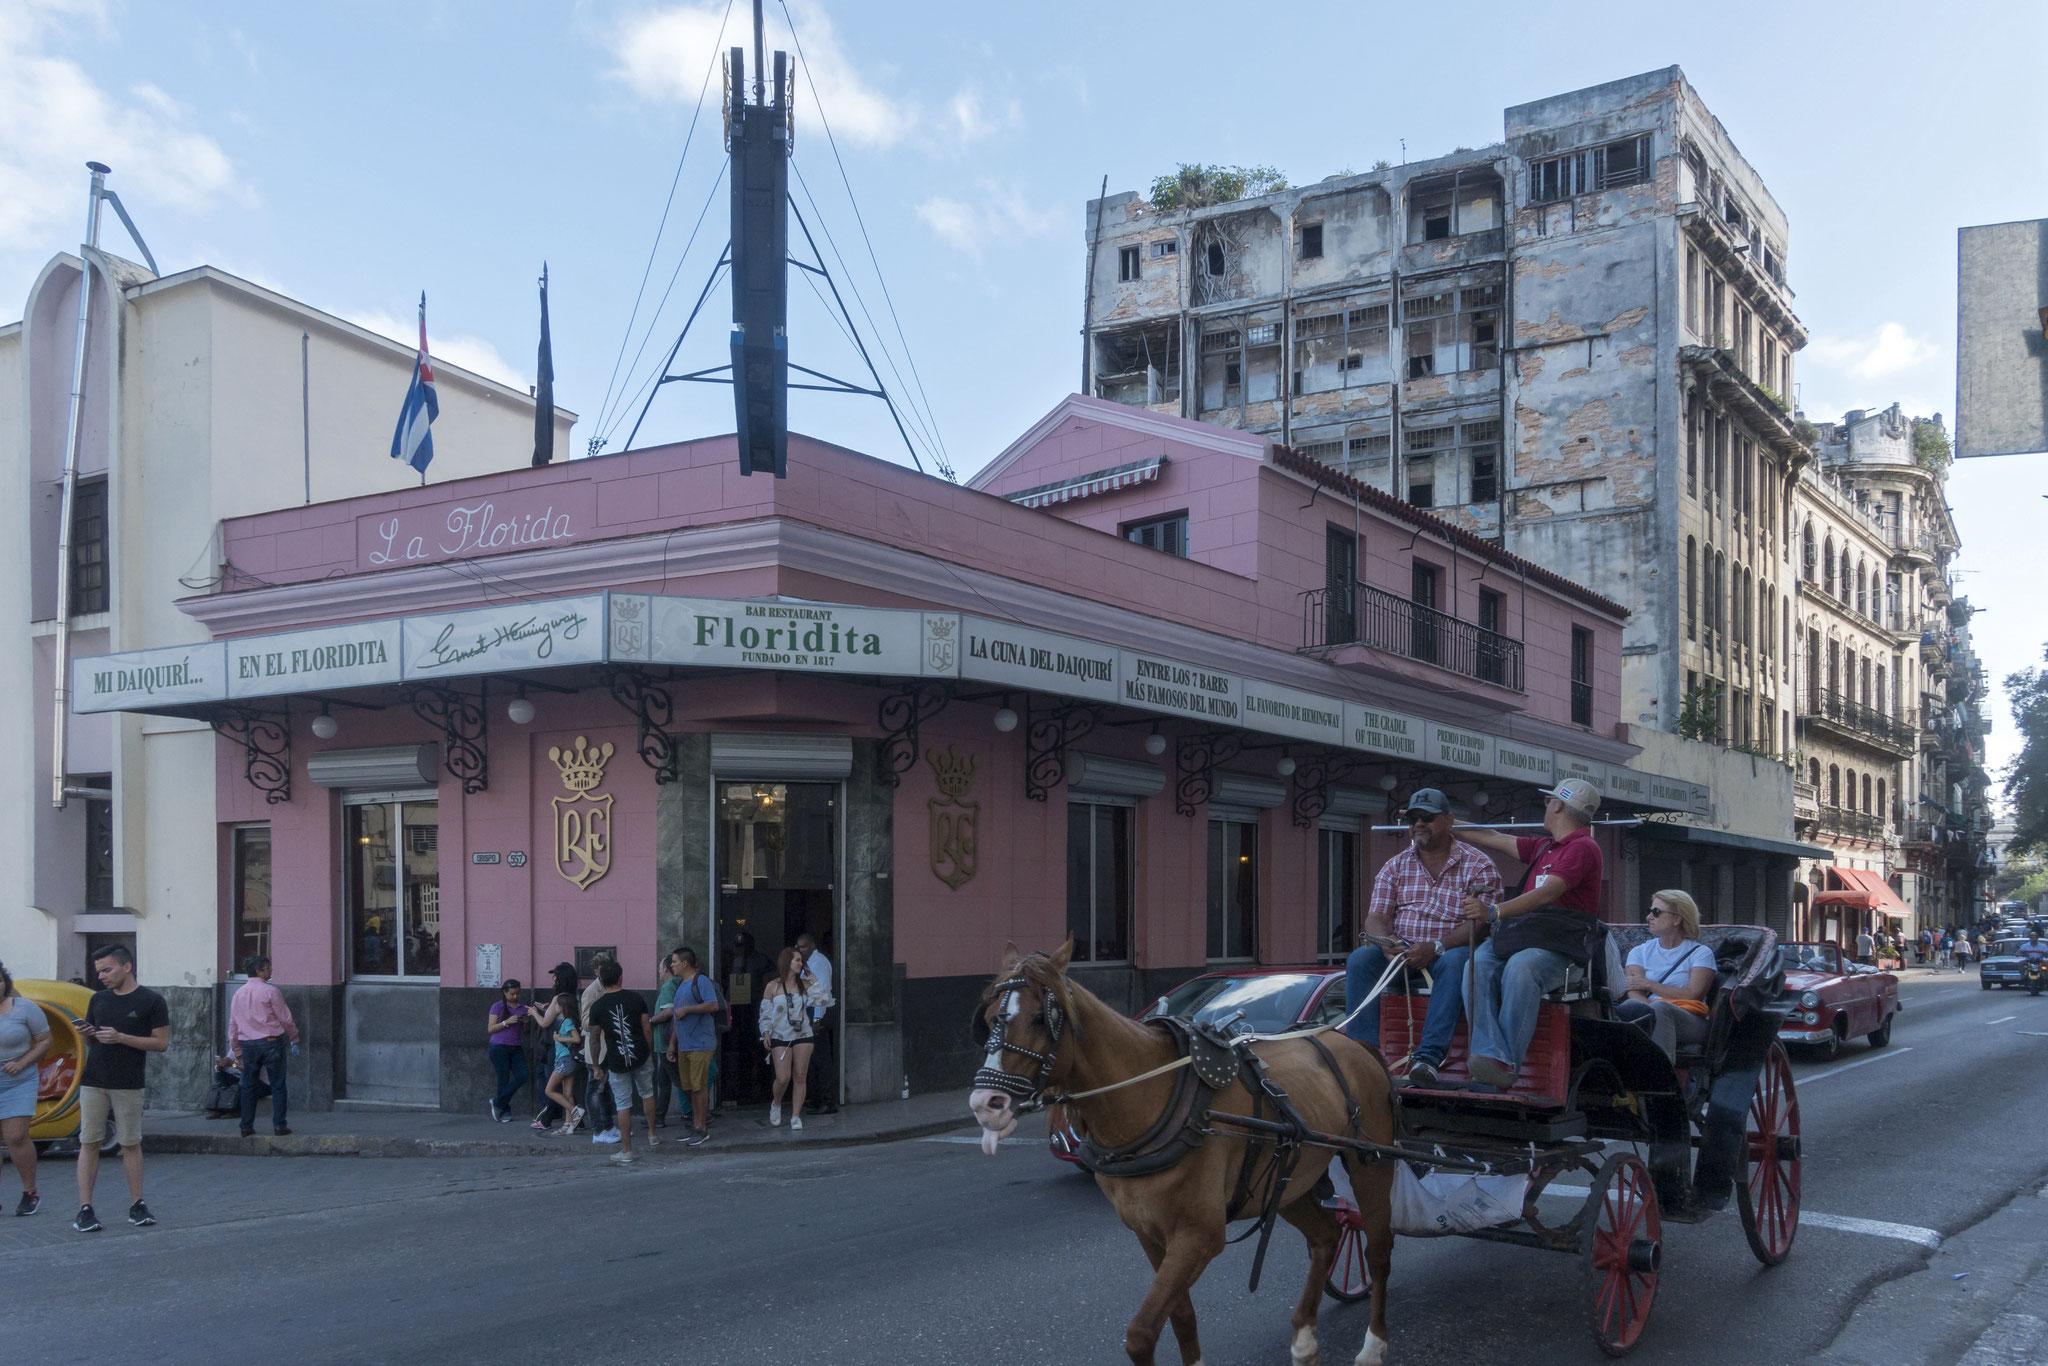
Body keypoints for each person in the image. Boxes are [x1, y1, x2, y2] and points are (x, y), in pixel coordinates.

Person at [1341, 788, 1505, 1086]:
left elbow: (1480, 924)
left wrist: (1437, 946)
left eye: (1427, 817)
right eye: (1413, 818)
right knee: (1361, 958)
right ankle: (1362, 1054)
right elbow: (1376, 917)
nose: (1418, 824)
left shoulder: (1479, 865)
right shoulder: (1395, 865)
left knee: (1458, 961)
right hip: (1402, 951)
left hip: (1448, 950)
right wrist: (1386, 942)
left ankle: (1428, 1059)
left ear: (1449, 821)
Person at [1454, 778, 1607, 1092]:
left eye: (1549, 801)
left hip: (1559, 947)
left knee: (1521, 967)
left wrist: (1493, 912)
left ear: (1558, 805)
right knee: (1476, 964)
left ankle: (1505, 1064)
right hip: (1525, 936)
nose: (1546, 805)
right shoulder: (1543, 847)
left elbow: (1546, 895)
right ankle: (1488, 1053)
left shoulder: (1583, 848)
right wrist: (1443, 822)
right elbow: (1492, 837)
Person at [73, 945, 169, 1233]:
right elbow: (95, 1041)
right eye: (98, 971)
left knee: (130, 1143)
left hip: (128, 1083)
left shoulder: (151, 1000)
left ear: (126, 967)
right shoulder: (99, 999)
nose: (101, 976)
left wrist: (121, 1037)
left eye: (107, 970)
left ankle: (137, 1204)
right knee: (89, 1141)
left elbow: (161, 1043)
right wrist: (87, 1035)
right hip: (93, 1080)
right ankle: (85, 1209)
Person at [1614, 891, 1717, 1063]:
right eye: (1650, 911)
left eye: (1656, 912)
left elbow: (1693, 994)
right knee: (1629, 1005)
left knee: (1661, 1008)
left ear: (1677, 919)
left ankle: (1662, 1071)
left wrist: (1649, 984)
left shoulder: (1701, 953)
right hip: (1649, 1013)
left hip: (1690, 1019)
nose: (1649, 917)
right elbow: (1634, 990)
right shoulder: (1639, 951)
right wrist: (1650, 1013)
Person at [585, 960, 657, 1165]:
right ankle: (653, 1135)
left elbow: (594, 1037)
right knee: (648, 1093)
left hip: (616, 1061)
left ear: (601, 980)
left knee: (623, 1104)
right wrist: (648, 1050)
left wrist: (597, 1065)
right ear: (620, 977)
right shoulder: (636, 998)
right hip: (641, 1055)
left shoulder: (597, 1006)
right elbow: (647, 1029)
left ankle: (627, 1151)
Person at [0, 962, 53, 1216]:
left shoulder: (25, 1008)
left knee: (16, 1137)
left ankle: (30, 1192)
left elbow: (45, 1041)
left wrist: (21, 1063)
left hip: (18, 1080)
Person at [228, 955, 299, 1137]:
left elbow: (233, 1024)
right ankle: (279, 1125)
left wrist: (236, 1049)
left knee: (248, 1085)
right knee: (278, 1085)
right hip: (271, 1042)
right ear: (259, 971)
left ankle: (246, 1126)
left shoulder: (238, 993)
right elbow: (284, 1018)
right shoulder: (271, 991)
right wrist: (294, 1036)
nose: (271, 971)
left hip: (248, 1044)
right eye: (268, 968)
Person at [760, 948, 830, 1130]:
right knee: (783, 1077)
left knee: (800, 1076)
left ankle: (796, 1116)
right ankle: (776, 1103)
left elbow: (823, 1000)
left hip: (803, 1034)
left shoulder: (805, 984)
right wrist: (765, 1033)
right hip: (780, 1035)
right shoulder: (772, 986)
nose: (801, 964)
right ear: (787, 962)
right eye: (797, 960)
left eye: (801, 960)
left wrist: (813, 980)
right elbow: (765, 1014)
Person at [665, 948, 719, 1148]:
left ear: (685, 963)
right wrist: (672, 1043)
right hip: (685, 1044)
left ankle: (701, 1127)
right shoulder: (681, 985)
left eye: (674, 961)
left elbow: (712, 1005)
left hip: (700, 1043)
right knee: (691, 1088)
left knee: (699, 1087)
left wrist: (688, 1009)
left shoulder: (701, 981)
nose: (672, 965)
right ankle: (695, 1125)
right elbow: (677, 1018)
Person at [795, 932, 838, 1115]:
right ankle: (816, 1098)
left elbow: (822, 991)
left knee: (821, 1058)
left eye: (803, 946)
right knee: (812, 1059)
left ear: (812, 945)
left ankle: (828, 1101)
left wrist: (817, 1019)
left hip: (819, 1012)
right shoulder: (806, 964)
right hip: (810, 1012)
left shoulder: (818, 962)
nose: (799, 950)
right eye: (797, 946)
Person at [579, 961, 617, 1144]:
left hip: (609, 1048)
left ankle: (609, 1125)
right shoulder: (591, 992)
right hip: (597, 1049)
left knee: (606, 1090)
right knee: (594, 1089)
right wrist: (602, 1017)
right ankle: (598, 1130)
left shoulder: (610, 989)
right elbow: (585, 1021)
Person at [486, 980, 531, 1123]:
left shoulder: (522, 1008)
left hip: (515, 1047)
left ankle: (497, 1102)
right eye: (512, 994)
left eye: (517, 993)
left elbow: (525, 1032)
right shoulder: (497, 1006)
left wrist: (526, 1024)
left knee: (522, 1075)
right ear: (505, 993)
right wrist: (506, 1022)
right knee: (503, 1079)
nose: (515, 996)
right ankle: (504, 1110)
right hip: (498, 1047)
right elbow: (491, 1029)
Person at [539, 990, 583, 1136]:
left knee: (549, 1090)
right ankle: (567, 1125)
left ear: (563, 1007)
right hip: (566, 1060)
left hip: (565, 1060)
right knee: (567, 1093)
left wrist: (559, 1039)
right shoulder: (565, 1020)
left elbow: (576, 1039)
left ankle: (574, 1111)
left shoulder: (567, 1021)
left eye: (557, 1005)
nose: (555, 1007)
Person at [648, 954, 679, 1128]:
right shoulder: (676, 984)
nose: (658, 972)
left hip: (665, 1042)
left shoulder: (668, 986)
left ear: (665, 969)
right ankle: (659, 1116)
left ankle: (696, 1114)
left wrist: (651, 1020)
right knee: (664, 1081)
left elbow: (669, 1011)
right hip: (666, 1042)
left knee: (678, 1080)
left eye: (660, 968)